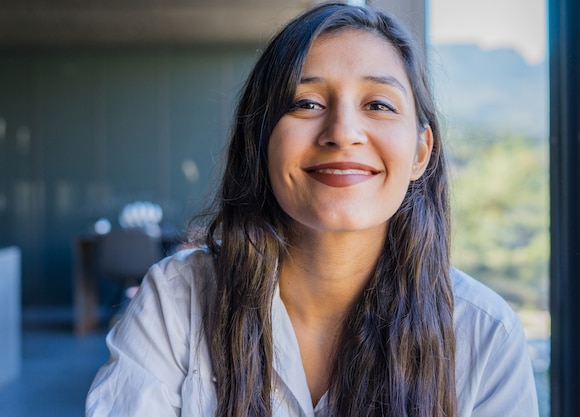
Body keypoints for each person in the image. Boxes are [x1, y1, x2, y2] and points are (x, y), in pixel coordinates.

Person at [86, 3, 539, 416]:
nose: (343, 132)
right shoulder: (176, 301)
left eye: (378, 105)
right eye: (306, 103)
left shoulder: (486, 336)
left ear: (421, 153)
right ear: (261, 142)